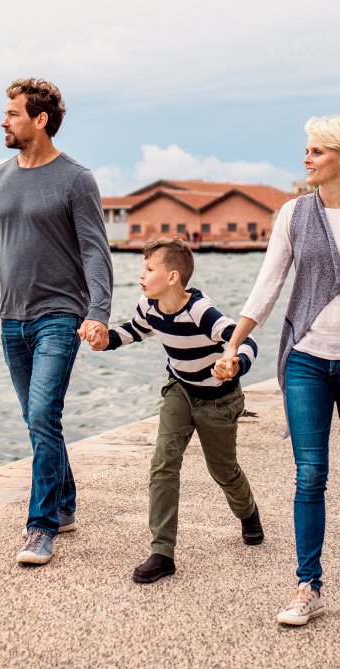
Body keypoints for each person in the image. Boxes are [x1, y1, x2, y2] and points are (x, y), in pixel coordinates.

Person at [216, 114, 340, 626]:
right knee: (309, 474)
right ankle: (309, 584)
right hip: (306, 356)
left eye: (316, 152)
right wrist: (234, 343)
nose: (306, 159)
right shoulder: (293, 213)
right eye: (306, 151)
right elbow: (269, 283)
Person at [0, 78, 113, 566]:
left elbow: (95, 248)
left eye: (12, 114)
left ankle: (41, 525)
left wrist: (98, 313)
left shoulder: (75, 179)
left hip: (60, 316)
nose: (3, 121)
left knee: (44, 415)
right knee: (36, 419)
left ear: (40, 120)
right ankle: (65, 504)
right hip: (12, 320)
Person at [85, 237, 262, 583]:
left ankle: (248, 512)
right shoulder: (148, 306)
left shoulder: (199, 311)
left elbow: (243, 339)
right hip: (180, 390)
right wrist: (104, 338)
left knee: (223, 470)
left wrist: (235, 362)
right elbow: (132, 331)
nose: (141, 275)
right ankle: (162, 552)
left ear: (173, 278)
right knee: (163, 462)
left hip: (219, 399)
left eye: (149, 268)